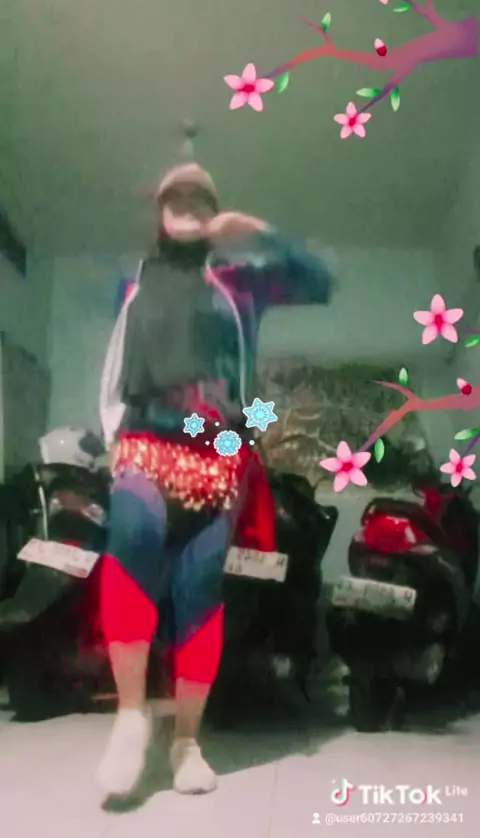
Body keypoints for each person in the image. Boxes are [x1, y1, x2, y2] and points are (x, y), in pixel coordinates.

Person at [96, 159, 334, 797]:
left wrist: (257, 232)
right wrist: (114, 437)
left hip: (216, 455)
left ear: (214, 211)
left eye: (201, 198)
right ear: (159, 212)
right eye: (175, 196)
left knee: (199, 592)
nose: (188, 204)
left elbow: (319, 279)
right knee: (132, 532)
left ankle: (186, 744)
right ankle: (129, 718)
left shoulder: (241, 285)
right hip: (147, 442)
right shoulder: (131, 283)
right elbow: (118, 370)